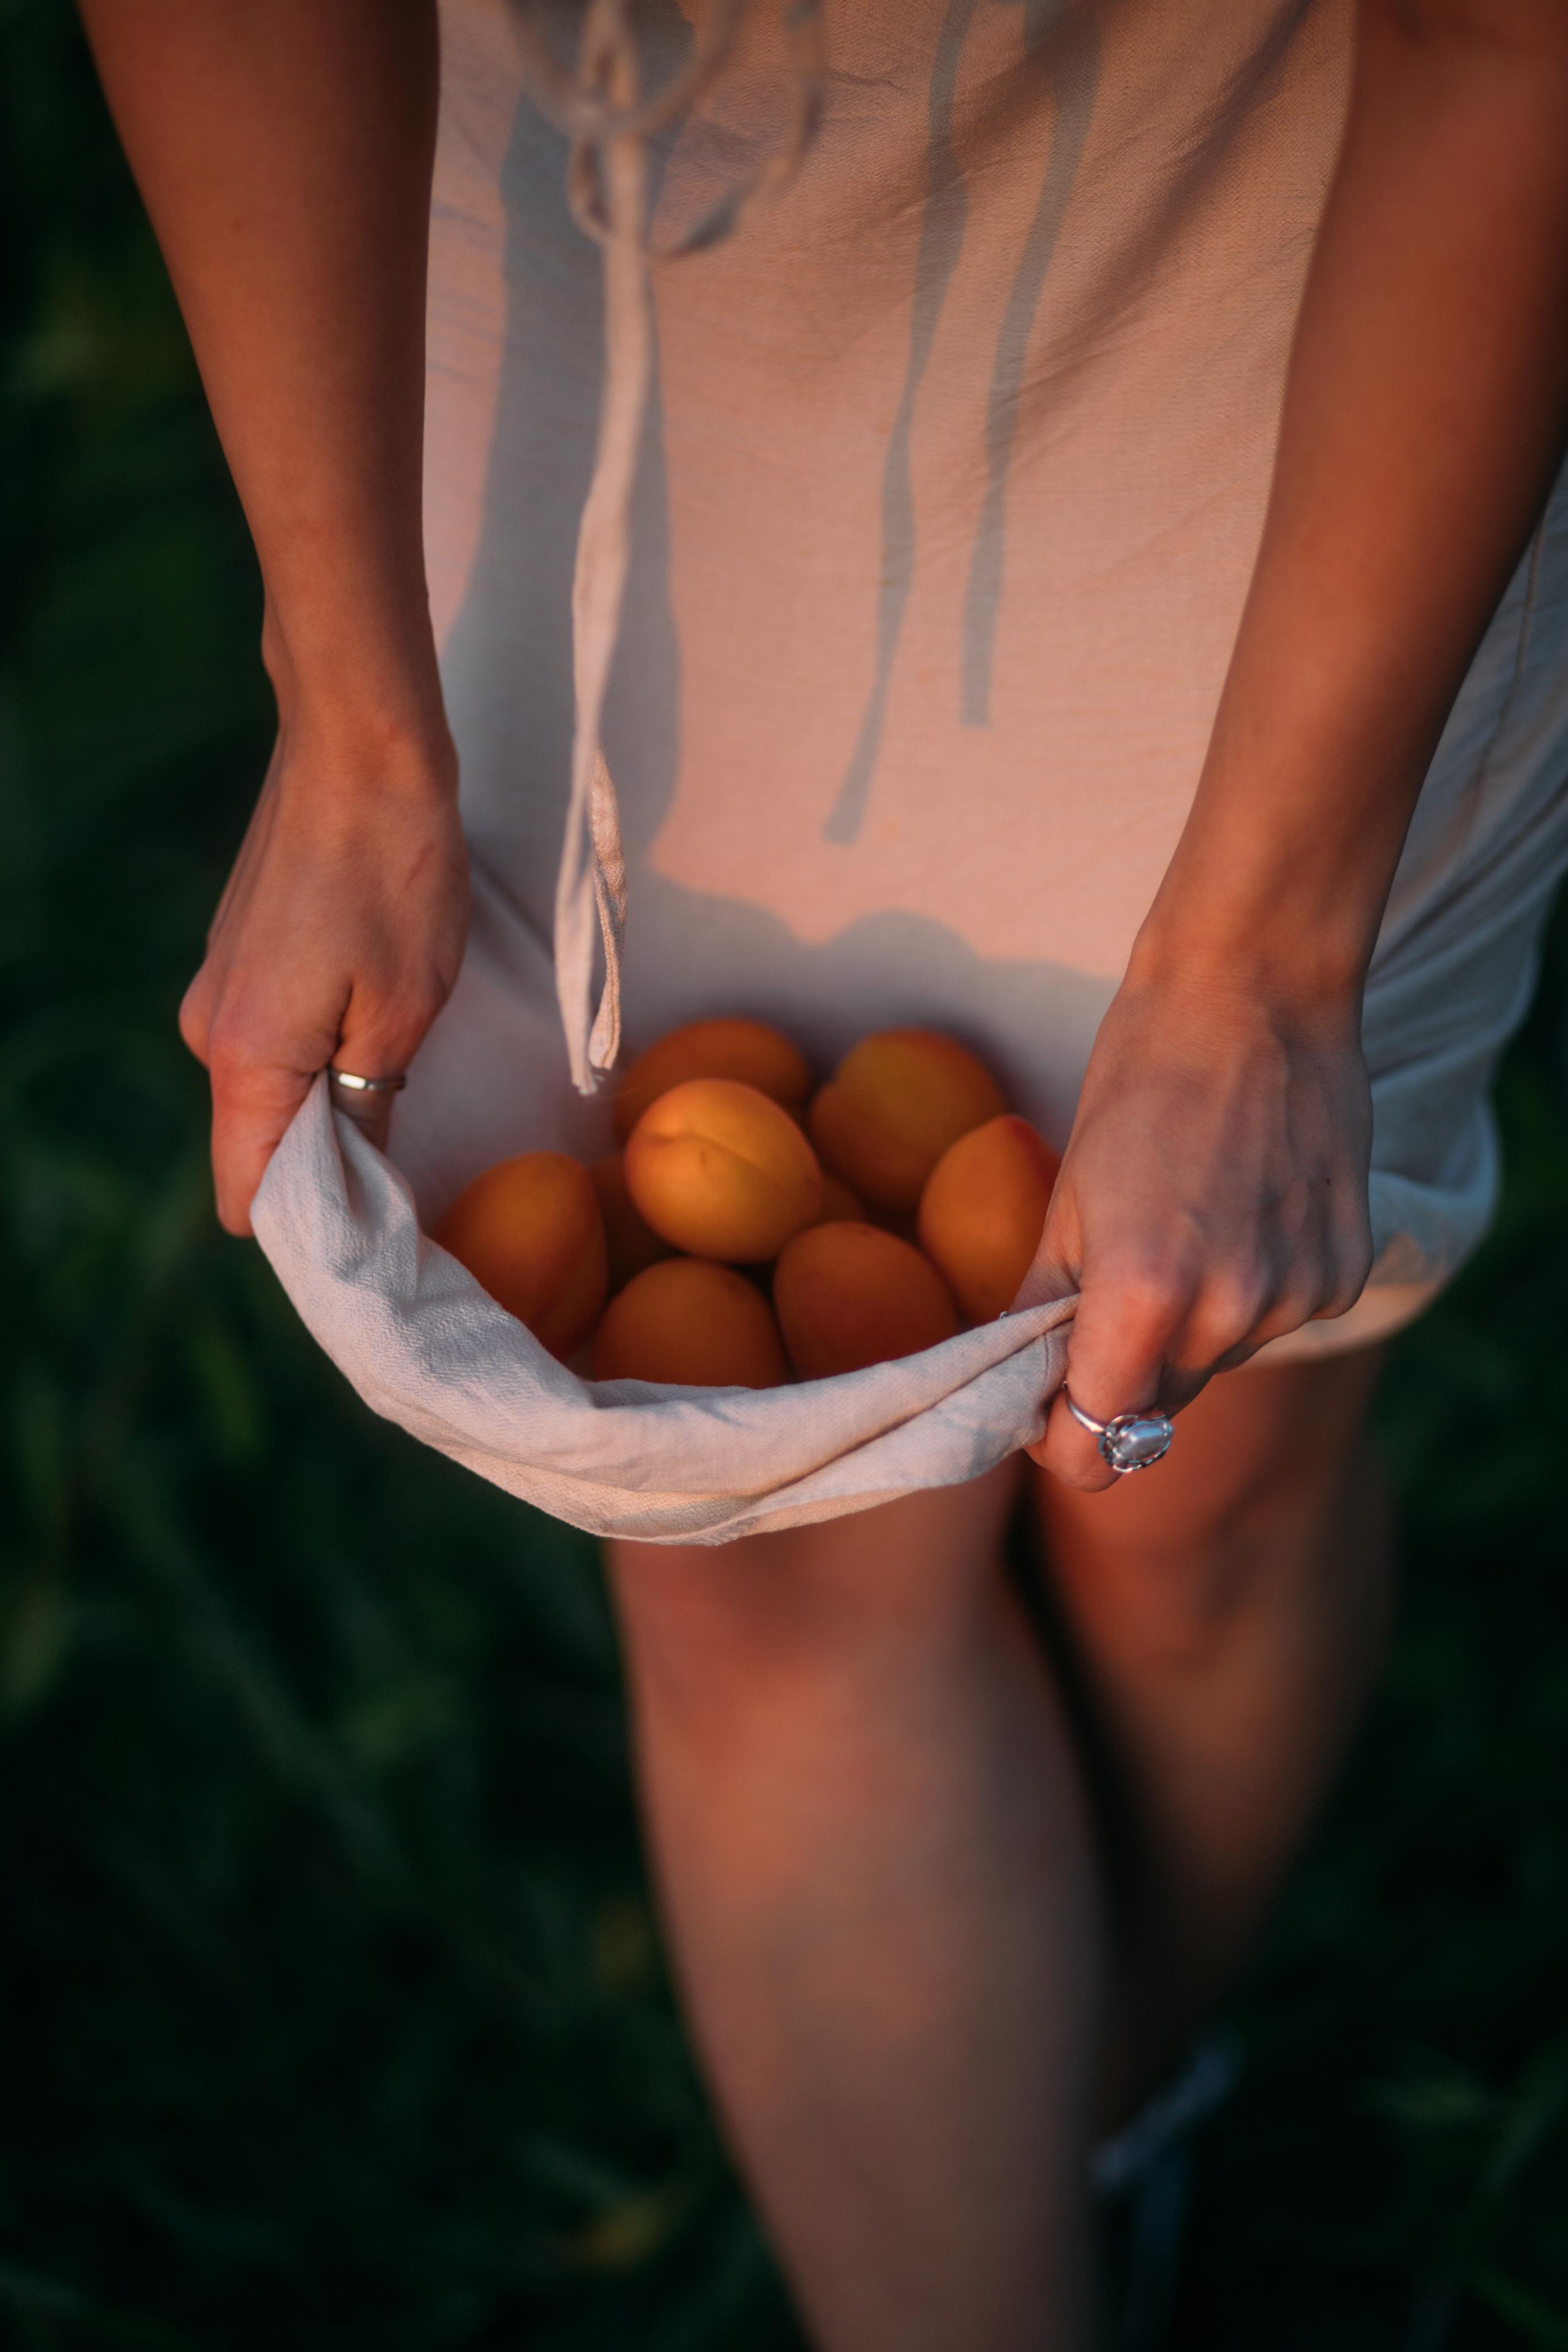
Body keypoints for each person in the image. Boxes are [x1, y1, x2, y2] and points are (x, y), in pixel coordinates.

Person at [80, 1, 1568, 2343]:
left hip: (1271, 398)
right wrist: (348, 697)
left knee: (1201, 1492)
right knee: (762, 1567)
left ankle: (1103, 2095)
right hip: (636, 383)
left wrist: (1280, 937)